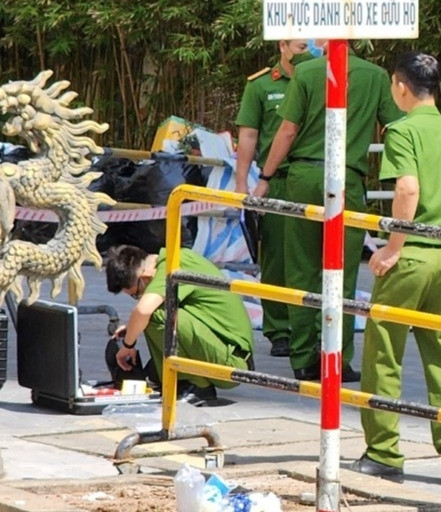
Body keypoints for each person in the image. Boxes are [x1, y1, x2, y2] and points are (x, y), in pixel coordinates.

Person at [351, 51, 441, 488]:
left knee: (383, 355)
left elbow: (408, 189)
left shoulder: (401, 131)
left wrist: (393, 247)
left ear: (400, 86)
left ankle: (384, 453)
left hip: (411, 256)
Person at [253, 50, 403, 383]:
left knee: (301, 267)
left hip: (304, 175)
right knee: (342, 271)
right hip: (347, 179)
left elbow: (288, 130)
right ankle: (336, 357)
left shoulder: (306, 73)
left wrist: (265, 176)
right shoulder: (375, 76)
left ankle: (303, 358)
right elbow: (394, 125)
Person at [234, 39, 312, 359]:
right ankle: (279, 329)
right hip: (276, 182)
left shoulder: (321, 80)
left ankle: (311, 327)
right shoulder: (262, 85)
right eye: (300, 43)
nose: (307, 49)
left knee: (312, 259)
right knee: (276, 259)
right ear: (283, 45)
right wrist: (241, 182)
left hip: (311, 178)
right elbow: (249, 134)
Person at [106, 244, 255, 407]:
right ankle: (177, 377)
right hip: (220, 349)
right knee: (151, 325)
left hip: (232, 364)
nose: (139, 297)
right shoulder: (172, 258)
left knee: (156, 314)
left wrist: (128, 345)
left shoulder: (174, 263)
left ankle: (198, 386)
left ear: (146, 276)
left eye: (137, 294)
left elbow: (143, 311)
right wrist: (132, 328)